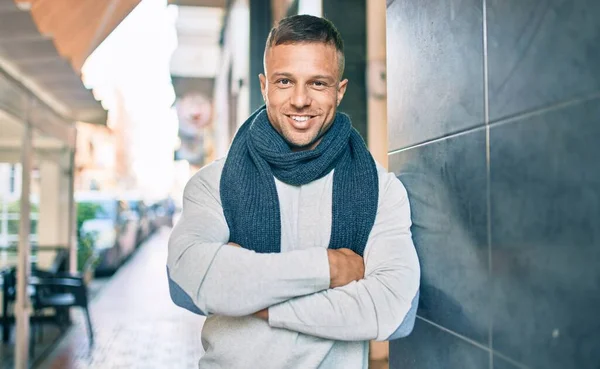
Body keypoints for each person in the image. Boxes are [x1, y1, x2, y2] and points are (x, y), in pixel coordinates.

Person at [167, 14, 420, 369]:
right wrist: (328, 268)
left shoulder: (380, 190)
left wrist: (251, 298)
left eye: (318, 83)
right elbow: (191, 279)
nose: (300, 100)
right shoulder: (214, 184)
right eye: (285, 81)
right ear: (264, 86)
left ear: (340, 90)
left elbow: (393, 310)